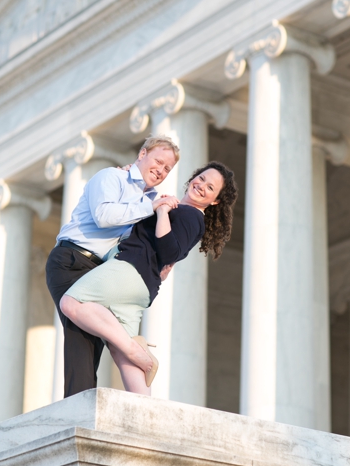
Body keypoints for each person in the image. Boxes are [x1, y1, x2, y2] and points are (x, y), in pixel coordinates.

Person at [59, 162, 238, 395]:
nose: (202, 185)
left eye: (210, 187)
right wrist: (129, 181)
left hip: (130, 270)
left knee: (71, 303)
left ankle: (138, 352)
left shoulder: (192, 216)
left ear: (215, 201)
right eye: (201, 178)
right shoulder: (181, 211)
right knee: (121, 353)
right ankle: (145, 415)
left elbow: (169, 252)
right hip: (141, 285)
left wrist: (162, 211)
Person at [45, 135, 180, 398]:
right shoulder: (112, 177)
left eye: (167, 169)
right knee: (81, 339)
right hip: (71, 260)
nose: (161, 170)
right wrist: (150, 206)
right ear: (142, 154)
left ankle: (139, 387)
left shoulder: (150, 201)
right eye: (158, 161)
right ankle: (79, 410)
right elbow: (104, 216)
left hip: (102, 271)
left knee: (103, 337)